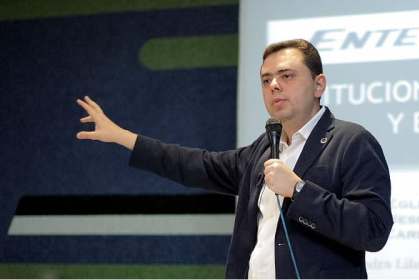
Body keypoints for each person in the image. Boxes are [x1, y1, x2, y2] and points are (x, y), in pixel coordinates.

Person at [76, 39, 393, 278]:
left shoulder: (351, 141)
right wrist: (123, 137)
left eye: (286, 75)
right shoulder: (262, 150)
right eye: (266, 79)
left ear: (319, 84)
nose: (274, 86)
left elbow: (374, 230)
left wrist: (298, 191)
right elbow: (195, 164)